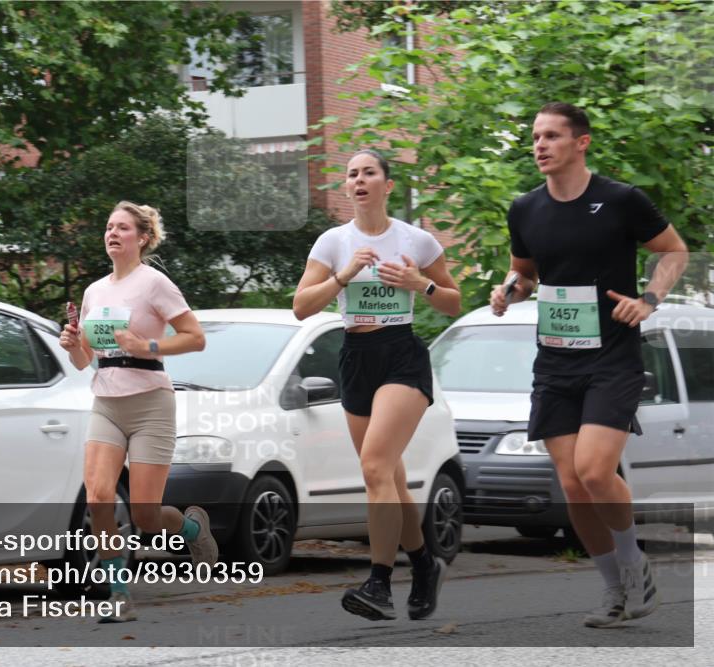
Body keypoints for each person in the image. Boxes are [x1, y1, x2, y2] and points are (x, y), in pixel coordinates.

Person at [491, 102, 688, 628]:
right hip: (554, 359)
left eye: (551, 136)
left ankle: (634, 565)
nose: (539, 145)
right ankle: (613, 589)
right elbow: (525, 272)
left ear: (582, 142)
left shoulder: (621, 200)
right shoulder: (525, 208)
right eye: (536, 137)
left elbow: (673, 251)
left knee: (595, 470)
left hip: (612, 357)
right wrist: (510, 289)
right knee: (572, 484)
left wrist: (648, 298)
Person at [294, 149, 461, 620]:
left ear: (387, 185)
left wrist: (418, 283)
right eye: (352, 174)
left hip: (401, 356)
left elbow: (452, 301)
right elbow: (301, 307)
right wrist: (343, 275)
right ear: (346, 189)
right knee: (389, 476)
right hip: (355, 357)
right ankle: (426, 564)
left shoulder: (415, 239)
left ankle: (379, 583)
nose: (359, 179)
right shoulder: (332, 242)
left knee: (373, 467)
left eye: (369, 172)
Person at [60, 200, 217, 622]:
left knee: (146, 516)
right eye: (109, 227)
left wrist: (146, 345)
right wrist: (74, 343)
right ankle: (119, 594)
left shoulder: (155, 284)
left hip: (151, 404)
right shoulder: (95, 291)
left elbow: (195, 337)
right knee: (98, 497)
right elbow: (84, 360)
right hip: (106, 401)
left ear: (142, 238)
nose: (112, 233)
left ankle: (191, 530)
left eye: (122, 228)